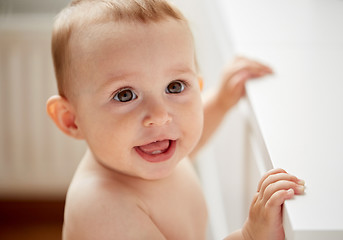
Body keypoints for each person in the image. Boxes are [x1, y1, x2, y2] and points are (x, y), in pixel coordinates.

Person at [46, 0, 305, 239]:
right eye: (125, 95)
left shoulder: (145, 150)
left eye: (175, 87)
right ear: (71, 120)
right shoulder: (102, 208)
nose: (160, 116)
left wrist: (222, 101)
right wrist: (249, 236)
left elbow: (191, 139)